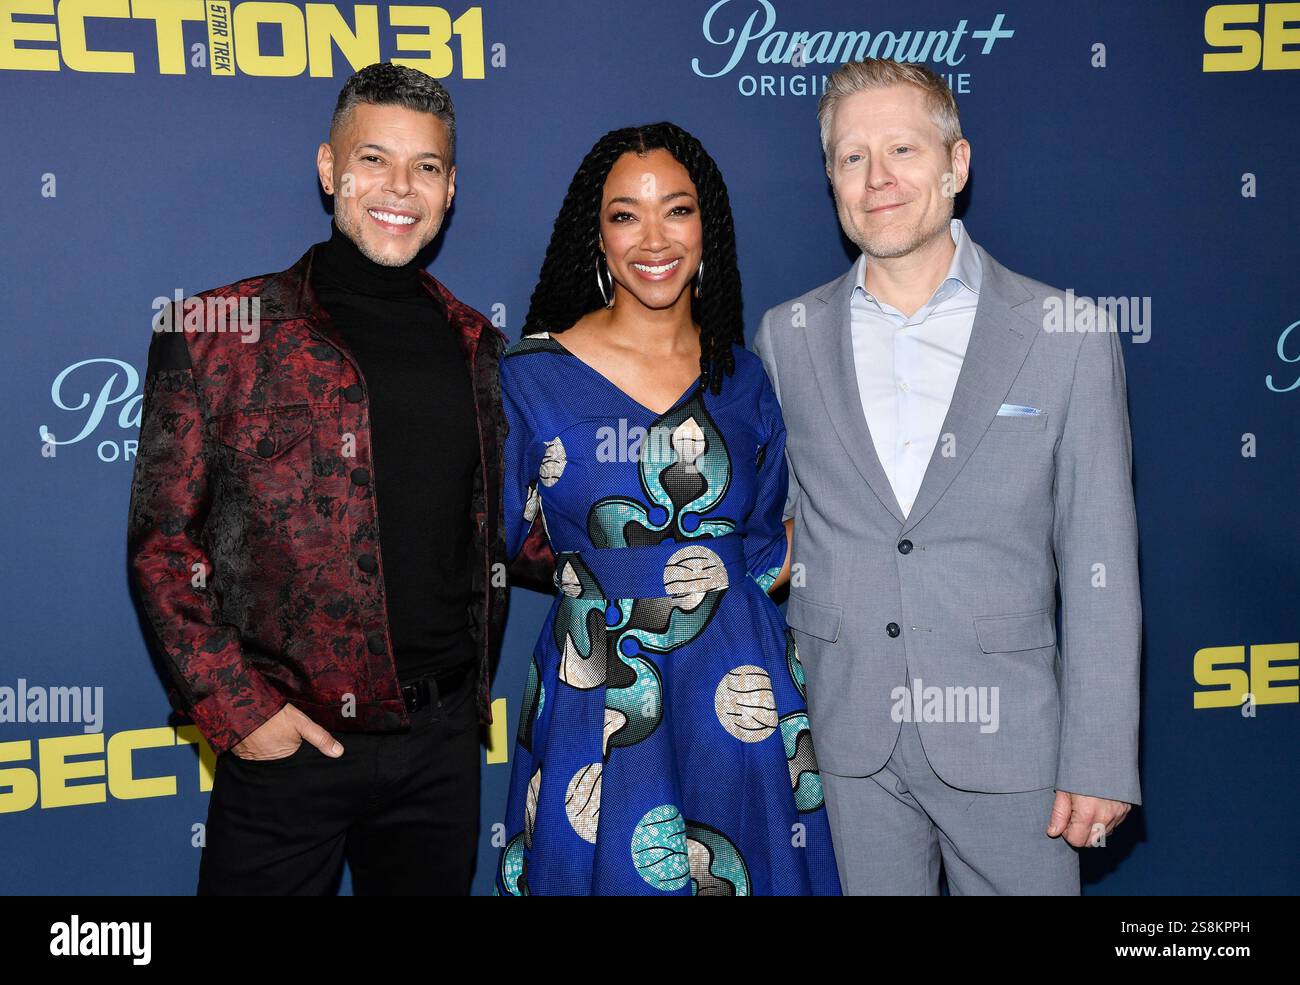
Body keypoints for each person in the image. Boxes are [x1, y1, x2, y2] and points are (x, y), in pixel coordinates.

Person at [753, 58, 1142, 895]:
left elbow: (1100, 562)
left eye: (902, 149)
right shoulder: (786, 336)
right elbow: (774, 530)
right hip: (844, 740)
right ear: (831, 179)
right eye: (852, 158)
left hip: (1014, 745)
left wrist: (1102, 754)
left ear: (956, 165)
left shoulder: (1066, 332)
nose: (878, 179)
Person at [127, 63, 508, 895]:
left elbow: (506, 524)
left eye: (427, 167)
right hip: (287, 745)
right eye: (374, 159)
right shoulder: (216, 333)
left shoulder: (479, 347)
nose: (399, 187)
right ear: (330, 169)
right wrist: (242, 712)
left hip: (439, 745)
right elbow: (162, 549)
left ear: (450, 190)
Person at [493, 123, 841, 895]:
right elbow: (496, 541)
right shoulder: (530, 377)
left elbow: (764, 541)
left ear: (706, 228)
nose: (654, 237)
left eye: (676, 210)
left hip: (739, 692)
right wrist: (600, 578)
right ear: (597, 236)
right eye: (625, 214)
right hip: (601, 688)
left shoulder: (745, 379)